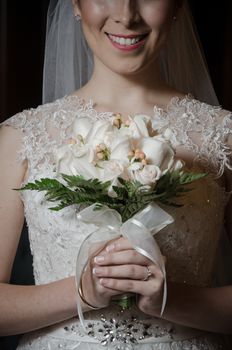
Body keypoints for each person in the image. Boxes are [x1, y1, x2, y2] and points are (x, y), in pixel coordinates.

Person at [0, 0, 232, 349]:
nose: (126, 14)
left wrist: (173, 300)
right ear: (76, 5)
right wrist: (81, 291)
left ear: (178, 7)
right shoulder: (22, 136)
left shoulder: (222, 134)